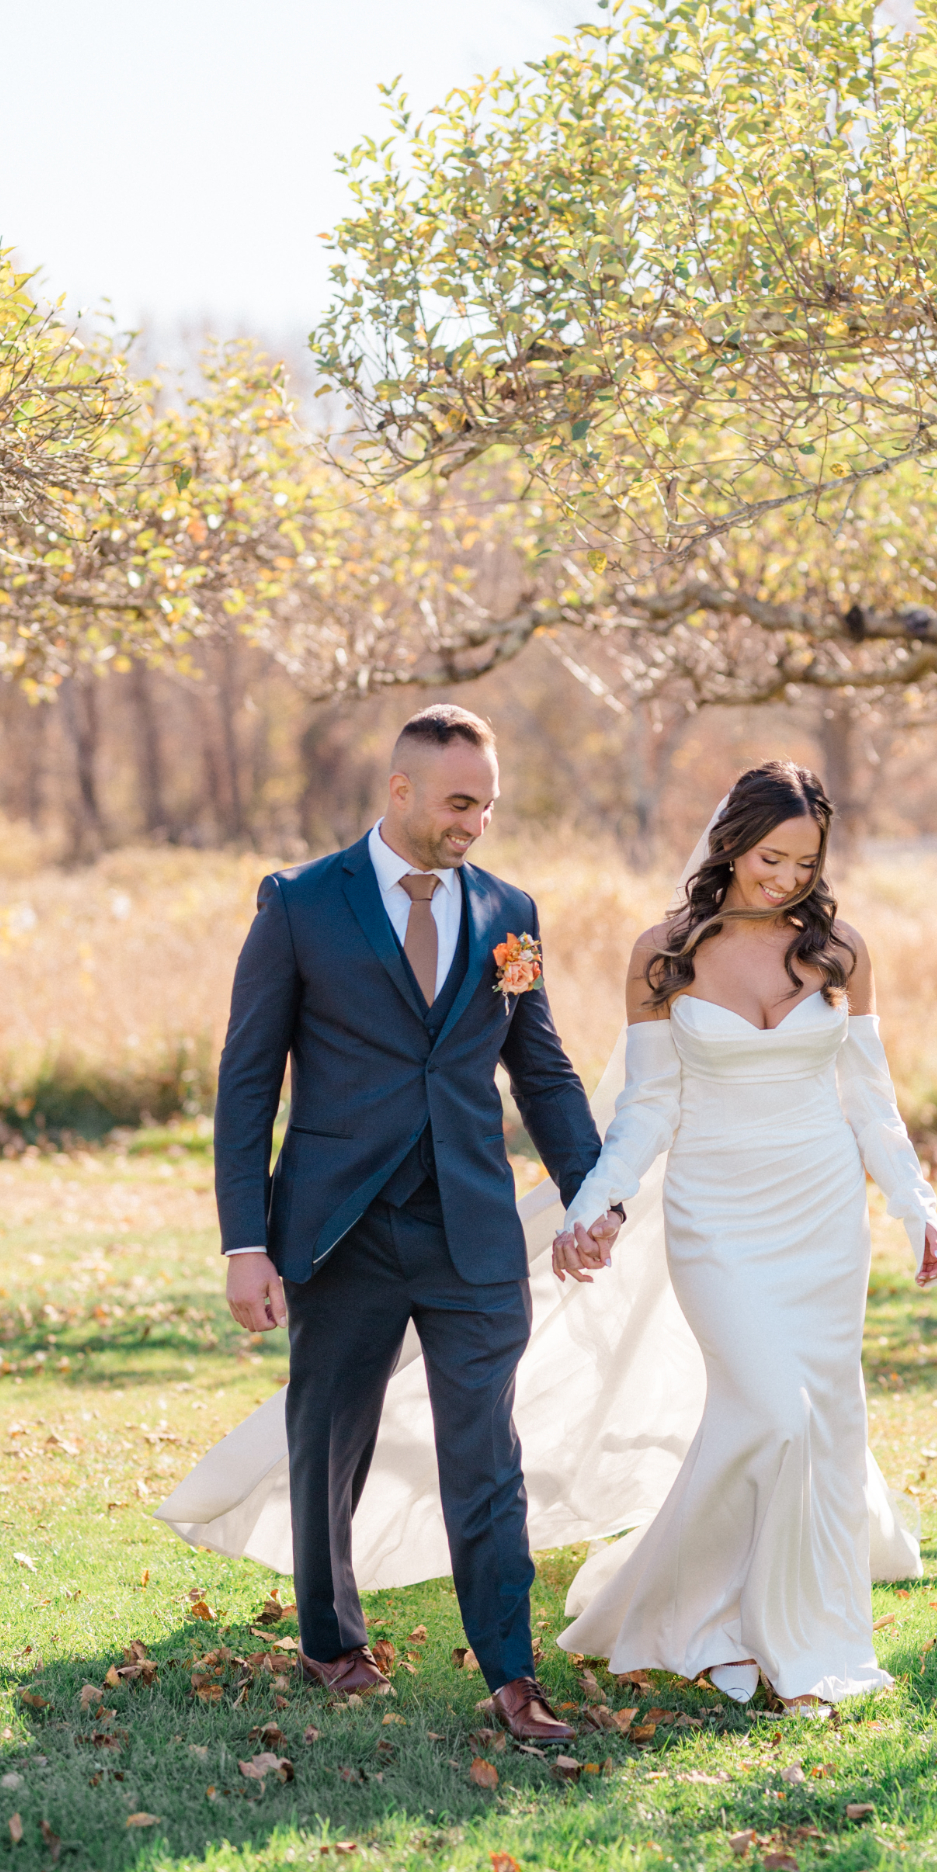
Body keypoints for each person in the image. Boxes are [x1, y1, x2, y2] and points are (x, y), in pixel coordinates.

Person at [212, 703, 600, 1743]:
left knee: (488, 1452)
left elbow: (545, 1072)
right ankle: (331, 1641)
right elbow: (248, 1081)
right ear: (401, 791)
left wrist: (592, 1192)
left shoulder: (510, 912)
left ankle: (512, 1675)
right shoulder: (300, 904)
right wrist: (244, 1240)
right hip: (338, 1229)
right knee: (328, 1440)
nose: (477, 821)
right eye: (460, 801)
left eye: (489, 803)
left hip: (470, 1227)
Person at [551, 760, 937, 1713]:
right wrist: (595, 1205)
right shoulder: (664, 954)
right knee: (770, 1412)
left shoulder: (841, 951)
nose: (785, 878)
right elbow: (647, 1109)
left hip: (822, 1213)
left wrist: (916, 1207)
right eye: (771, 857)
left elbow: (871, 1102)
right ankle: (696, 1617)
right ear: (730, 842)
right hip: (717, 1216)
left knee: (817, 1427)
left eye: (805, 863)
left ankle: (789, 1626)